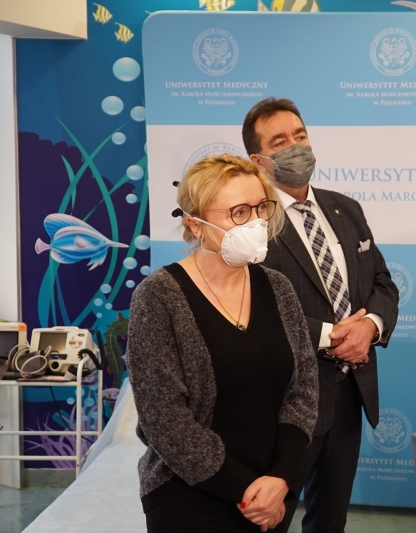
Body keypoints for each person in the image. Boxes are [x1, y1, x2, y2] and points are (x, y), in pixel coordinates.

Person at [126, 154, 318, 533]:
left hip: (272, 494)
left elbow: (304, 391)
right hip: (190, 498)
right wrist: (246, 490)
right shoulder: (158, 297)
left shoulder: (278, 288)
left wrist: (281, 477)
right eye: (239, 212)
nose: (257, 222)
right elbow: (164, 418)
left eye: (261, 208)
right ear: (196, 224)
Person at [242, 97, 400, 533]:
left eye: (300, 135)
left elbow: (382, 282)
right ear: (258, 160)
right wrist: (333, 336)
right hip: (285, 402)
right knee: (269, 521)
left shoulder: (345, 208)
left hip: (350, 393)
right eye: (279, 141)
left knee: (330, 521)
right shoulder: (250, 223)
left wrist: (369, 326)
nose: (295, 147)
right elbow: (251, 307)